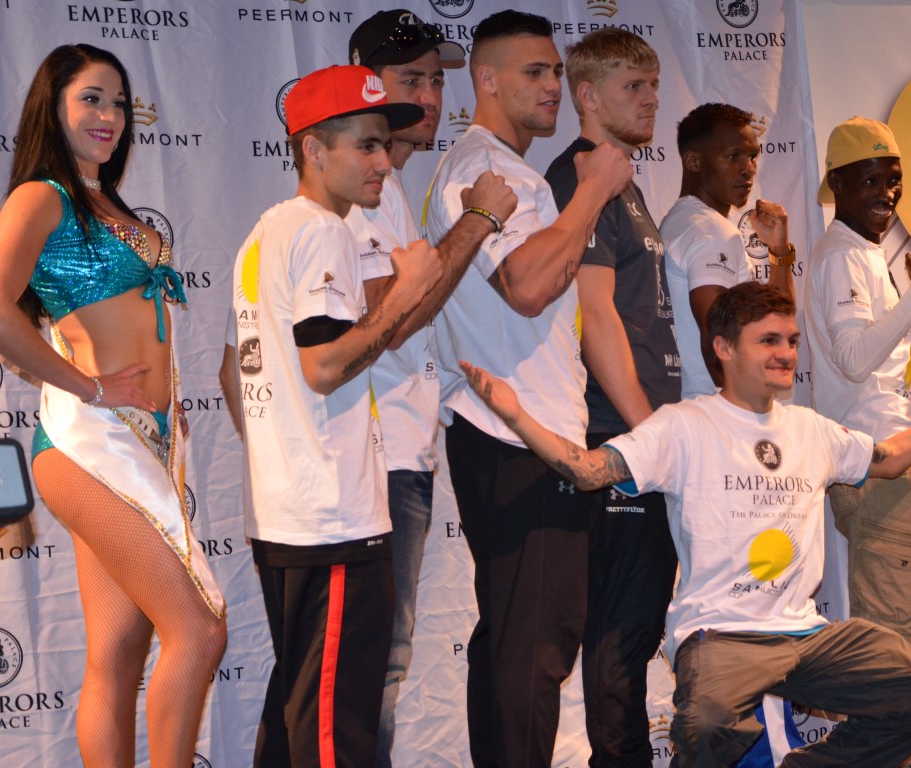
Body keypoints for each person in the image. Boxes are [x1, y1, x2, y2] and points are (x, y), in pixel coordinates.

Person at [457, 281, 911, 768]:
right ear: (724, 348)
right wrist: (516, 415)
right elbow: (587, 471)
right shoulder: (683, 426)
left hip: (806, 634)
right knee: (706, 726)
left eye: (791, 341)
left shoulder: (810, 428)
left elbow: (892, 456)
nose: (786, 354)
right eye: (769, 341)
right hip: (721, 634)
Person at [0, 44, 226, 767]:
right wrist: (91, 387)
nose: (110, 116)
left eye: (118, 102)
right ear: (53, 106)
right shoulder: (43, 196)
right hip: (91, 440)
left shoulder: (105, 200)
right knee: (199, 630)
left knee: (118, 653)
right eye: (91, 98)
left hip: (145, 441)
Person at [423, 10, 631, 767]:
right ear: (486, 80)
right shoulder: (493, 171)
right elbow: (527, 286)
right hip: (515, 437)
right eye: (534, 72)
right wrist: (592, 191)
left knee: (519, 638)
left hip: (518, 433)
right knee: (534, 643)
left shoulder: (497, 167)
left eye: (555, 72)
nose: (553, 87)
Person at [227, 64, 440, 767]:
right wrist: (406, 289)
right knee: (332, 732)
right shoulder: (322, 232)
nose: (384, 162)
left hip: (290, 513)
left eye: (385, 144)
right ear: (314, 149)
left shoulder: (265, 232)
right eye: (367, 145)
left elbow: (234, 371)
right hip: (332, 522)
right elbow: (323, 367)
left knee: (299, 713)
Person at [345, 11, 516, 765]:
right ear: (366, 84)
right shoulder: (361, 189)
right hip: (374, 456)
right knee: (367, 663)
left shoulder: (388, 187)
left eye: (437, 80)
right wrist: (477, 220)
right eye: (409, 79)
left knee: (372, 661)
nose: (430, 96)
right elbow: (394, 319)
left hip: (397, 452)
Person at [543, 28, 679, 767]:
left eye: (654, 84)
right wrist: (649, 434)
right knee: (620, 631)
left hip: (636, 434)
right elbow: (594, 316)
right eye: (634, 86)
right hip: (616, 435)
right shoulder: (581, 176)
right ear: (587, 95)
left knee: (635, 625)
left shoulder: (624, 182)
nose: (651, 99)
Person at [805, 116, 911, 662]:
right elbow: (853, 360)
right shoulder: (841, 254)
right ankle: (889, 727)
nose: (886, 193)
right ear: (837, 184)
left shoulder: (864, 251)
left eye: (893, 180)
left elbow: (870, 353)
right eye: (870, 180)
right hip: (878, 463)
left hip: (906, 453)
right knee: (894, 633)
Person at [660, 102, 797, 399]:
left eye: (752, 156)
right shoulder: (710, 230)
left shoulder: (680, 220)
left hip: (699, 406)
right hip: (714, 407)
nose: (748, 169)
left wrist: (779, 251)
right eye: (733, 156)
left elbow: (777, 320)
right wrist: (743, 408)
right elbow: (715, 333)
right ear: (693, 161)